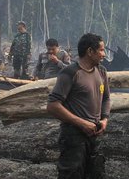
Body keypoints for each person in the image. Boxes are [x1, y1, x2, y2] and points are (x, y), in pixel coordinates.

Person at [47, 33, 110, 178]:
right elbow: (53, 106)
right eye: (101, 50)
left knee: (95, 173)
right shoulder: (70, 73)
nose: (104, 54)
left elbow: (106, 98)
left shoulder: (101, 71)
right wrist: (82, 123)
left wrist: (105, 119)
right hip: (73, 136)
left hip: (94, 135)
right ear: (89, 51)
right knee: (72, 174)